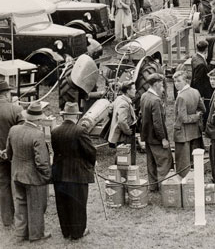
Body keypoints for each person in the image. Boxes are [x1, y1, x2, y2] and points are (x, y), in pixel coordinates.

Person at [4, 102, 51, 242]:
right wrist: (47, 176)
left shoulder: (14, 129)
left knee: (20, 204)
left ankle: (20, 234)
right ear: (38, 120)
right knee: (36, 206)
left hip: (17, 173)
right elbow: (41, 161)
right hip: (33, 177)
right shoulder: (38, 134)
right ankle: (36, 235)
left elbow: (9, 153)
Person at [51, 102, 96, 240]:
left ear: (64, 116)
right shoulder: (80, 131)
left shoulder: (55, 131)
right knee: (78, 203)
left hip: (59, 172)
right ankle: (77, 233)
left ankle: (66, 232)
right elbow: (90, 152)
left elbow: (56, 151)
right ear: (76, 116)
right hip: (77, 174)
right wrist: (90, 163)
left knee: (62, 204)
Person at [140, 74, 173, 191]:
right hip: (156, 138)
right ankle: (166, 188)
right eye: (161, 84)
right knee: (165, 162)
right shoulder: (156, 100)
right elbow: (158, 123)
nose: (163, 87)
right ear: (156, 84)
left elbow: (142, 117)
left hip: (148, 137)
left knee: (151, 162)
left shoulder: (144, 96)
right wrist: (163, 138)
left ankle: (153, 186)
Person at [0, 80, 24, 228]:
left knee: (3, 186)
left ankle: (7, 219)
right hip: (15, 155)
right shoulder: (16, 109)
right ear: (7, 94)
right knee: (20, 185)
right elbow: (23, 132)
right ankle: (22, 219)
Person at [173, 71, 205, 178]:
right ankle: (194, 180)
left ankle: (184, 182)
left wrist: (195, 117)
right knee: (195, 159)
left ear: (185, 81)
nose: (176, 84)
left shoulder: (181, 97)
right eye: (174, 81)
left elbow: (184, 119)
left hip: (183, 133)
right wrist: (197, 115)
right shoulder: (196, 92)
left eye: (178, 81)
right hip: (195, 131)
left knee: (183, 162)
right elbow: (203, 109)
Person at [107, 81, 137, 155]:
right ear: (127, 91)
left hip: (120, 134)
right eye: (134, 89)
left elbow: (110, 108)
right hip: (124, 136)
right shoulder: (124, 103)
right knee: (126, 156)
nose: (135, 91)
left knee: (121, 155)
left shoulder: (119, 98)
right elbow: (121, 121)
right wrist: (128, 131)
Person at [190, 40, 213, 128]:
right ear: (206, 49)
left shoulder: (195, 57)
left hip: (197, 87)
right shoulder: (201, 64)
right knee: (205, 106)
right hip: (202, 89)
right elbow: (198, 79)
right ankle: (204, 125)